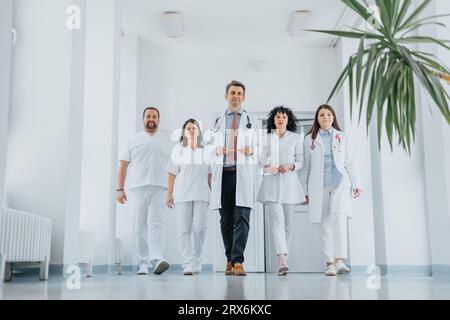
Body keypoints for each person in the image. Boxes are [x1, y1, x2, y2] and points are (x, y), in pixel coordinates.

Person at [204, 80, 259, 276]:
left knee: (242, 217)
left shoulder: (252, 119)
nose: (236, 96)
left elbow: (261, 148)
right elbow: (206, 147)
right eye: (232, 92)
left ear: (244, 97)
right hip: (224, 174)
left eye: (239, 93)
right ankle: (229, 257)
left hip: (242, 174)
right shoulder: (215, 120)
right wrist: (216, 149)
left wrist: (253, 149)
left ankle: (238, 261)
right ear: (226, 95)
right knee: (226, 219)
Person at [300, 104, 362, 276]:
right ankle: (329, 263)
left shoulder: (342, 136)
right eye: (321, 115)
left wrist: (357, 184)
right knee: (324, 223)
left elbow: (351, 161)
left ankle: (340, 260)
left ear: (333, 117)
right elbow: (306, 166)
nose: (325, 117)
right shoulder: (309, 139)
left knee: (339, 218)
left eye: (328, 114)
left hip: (340, 184)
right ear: (317, 119)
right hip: (318, 186)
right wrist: (304, 191)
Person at [117, 107, 171, 275]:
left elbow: (174, 168)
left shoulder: (166, 140)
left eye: (154, 116)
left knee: (157, 225)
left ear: (158, 120)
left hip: (160, 188)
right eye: (148, 116)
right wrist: (120, 189)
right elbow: (123, 165)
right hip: (138, 188)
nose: (151, 119)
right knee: (140, 227)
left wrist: (172, 191)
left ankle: (157, 260)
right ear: (143, 119)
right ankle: (142, 263)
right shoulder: (132, 139)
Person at [257, 106, 305, 276]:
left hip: (290, 184)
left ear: (288, 120)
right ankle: (282, 260)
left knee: (288, 224)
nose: (280, 119)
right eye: (278, 116)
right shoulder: (267, 138)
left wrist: (291, 166)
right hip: (271, 184)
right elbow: (260, 160)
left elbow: (301, 161)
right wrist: (267, 165)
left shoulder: (296, 138)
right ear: (273, 119)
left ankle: (285, 255)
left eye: (284, 117)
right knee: (277, 221)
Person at [166, 119, 211, 276]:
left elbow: (210, 175)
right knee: (183, 229)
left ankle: (197, 259)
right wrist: (169, 193)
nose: (191, 130)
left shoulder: (206, 151)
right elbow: (172, 173)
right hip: (182, 194)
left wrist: (213, 194)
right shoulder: (178, 150)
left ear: (199, 131)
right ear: (184, 132)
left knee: (199, 228)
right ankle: (188, 262)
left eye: (194, 128)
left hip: (202, 194)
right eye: (188, 128)